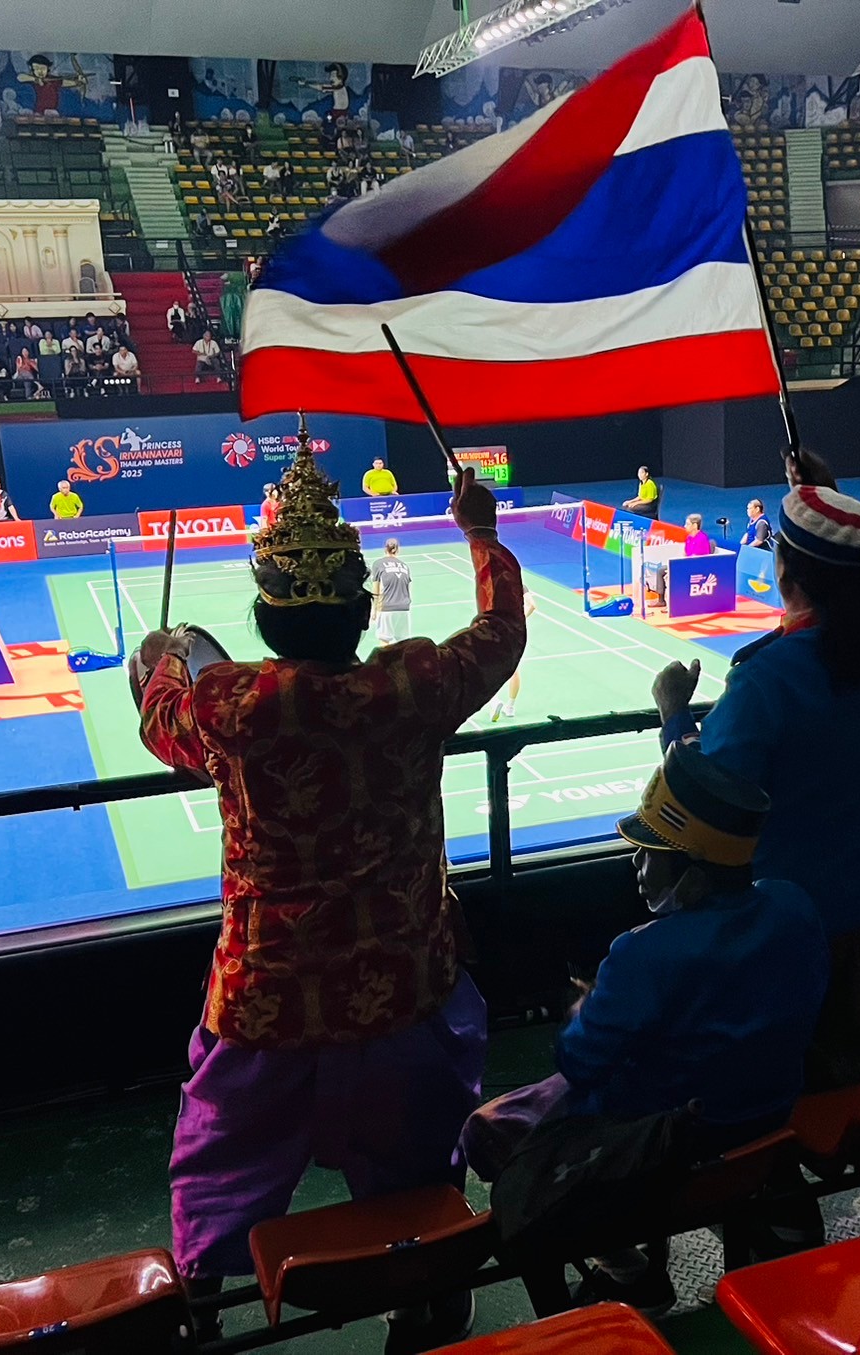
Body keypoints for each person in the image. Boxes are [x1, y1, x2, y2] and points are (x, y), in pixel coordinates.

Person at [135, 431, 526, 1352]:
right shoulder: (414, 683)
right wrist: (480, 532)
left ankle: (200, 1305)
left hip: (265, 997)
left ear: (265, 621)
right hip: (400, 984)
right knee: (416, 1156)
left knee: (218, 1167)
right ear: (360, 611)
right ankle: (427, 1294)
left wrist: (166, 656)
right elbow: (501, 632)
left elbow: (160, 719)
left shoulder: (229, 704)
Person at [461, 742, 828, 1309]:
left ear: (694, 877)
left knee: (485, 1131)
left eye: (650, 853)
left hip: (673, 1134)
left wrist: (585, 1009)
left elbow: (580, 1064)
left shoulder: (642, 953)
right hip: (768, 1112)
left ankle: (626, 1272)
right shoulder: (793, 904)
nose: (637, 864)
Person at [652, 483, 860, 1238]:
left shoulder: (766, 678)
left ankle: (786, 1221)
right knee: (851, 1056)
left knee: (761, 1077)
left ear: (784, 568)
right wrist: (818, 489)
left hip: (774, 921)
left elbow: (712, 795)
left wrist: (673, 714)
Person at [490, 592, 536, 722]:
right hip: (516, 633)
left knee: (491, 667)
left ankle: (494, 701)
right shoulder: (521, 587)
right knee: (515, 670)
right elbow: (532, 605)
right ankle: (510, 706)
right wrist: (519, 620)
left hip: (498, 631)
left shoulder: (496, 588)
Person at [369, 538, 412, 646]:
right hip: (404, 608)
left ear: (385, 549)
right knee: (403, 642)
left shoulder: (378, 564)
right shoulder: (405, 566)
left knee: (384, 640)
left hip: (387, 608)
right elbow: (407, 588)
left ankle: (384, 658)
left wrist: (374, 610)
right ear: (398, 550)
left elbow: (376, 589)